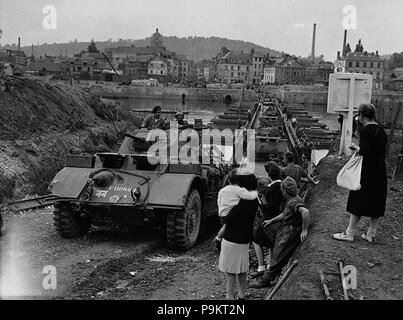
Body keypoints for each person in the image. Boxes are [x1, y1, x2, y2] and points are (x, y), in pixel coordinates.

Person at [332, 103, 387, 243]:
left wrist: (356, 147)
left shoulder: (366, 130)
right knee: (377, 200)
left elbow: (366, 152)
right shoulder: (381, 130)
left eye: (359, 115)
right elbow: (378, 151)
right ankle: (371, 233)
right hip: (380, 170)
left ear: (362, 115)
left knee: (358, 200)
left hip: (367, 170)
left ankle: (349, 232)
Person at [250, 176, 310, 288]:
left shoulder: (294, 202)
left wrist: (304, 230)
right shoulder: (293, 199)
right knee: (266, 227)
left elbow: (305, 212)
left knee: (278, 255)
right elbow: (285, 214)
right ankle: (274, 256)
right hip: (285, 228)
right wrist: (271, 220)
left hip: (290, 231)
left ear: (284, 191)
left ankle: (266, 279)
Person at [218, 173, 259, 300]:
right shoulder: (254, 199)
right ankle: (242, 294)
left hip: (232, 237)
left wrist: (224, 217)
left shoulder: (243, 201)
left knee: (230, 270)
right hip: (245, 237)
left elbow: (228, 218)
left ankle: (230, 296)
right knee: (242, 268)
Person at [250, 162, 284, 279]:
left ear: (269, 175)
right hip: (277, 218)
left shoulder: (274, 188)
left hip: (270, 218)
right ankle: (269, 266)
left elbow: (271, 206)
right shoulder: (281, 185)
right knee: (270, 243)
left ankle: (261, 267)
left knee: (255, 240)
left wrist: (261, 203)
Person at [214, 169, 258, 251]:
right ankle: (218, 238)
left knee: (225, 225)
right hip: (242, 239)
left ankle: (218, 238)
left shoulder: (223, 190)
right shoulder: (243, 193)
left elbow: (219, 200)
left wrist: (221, 210)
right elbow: (251, 197)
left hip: (232, 236)